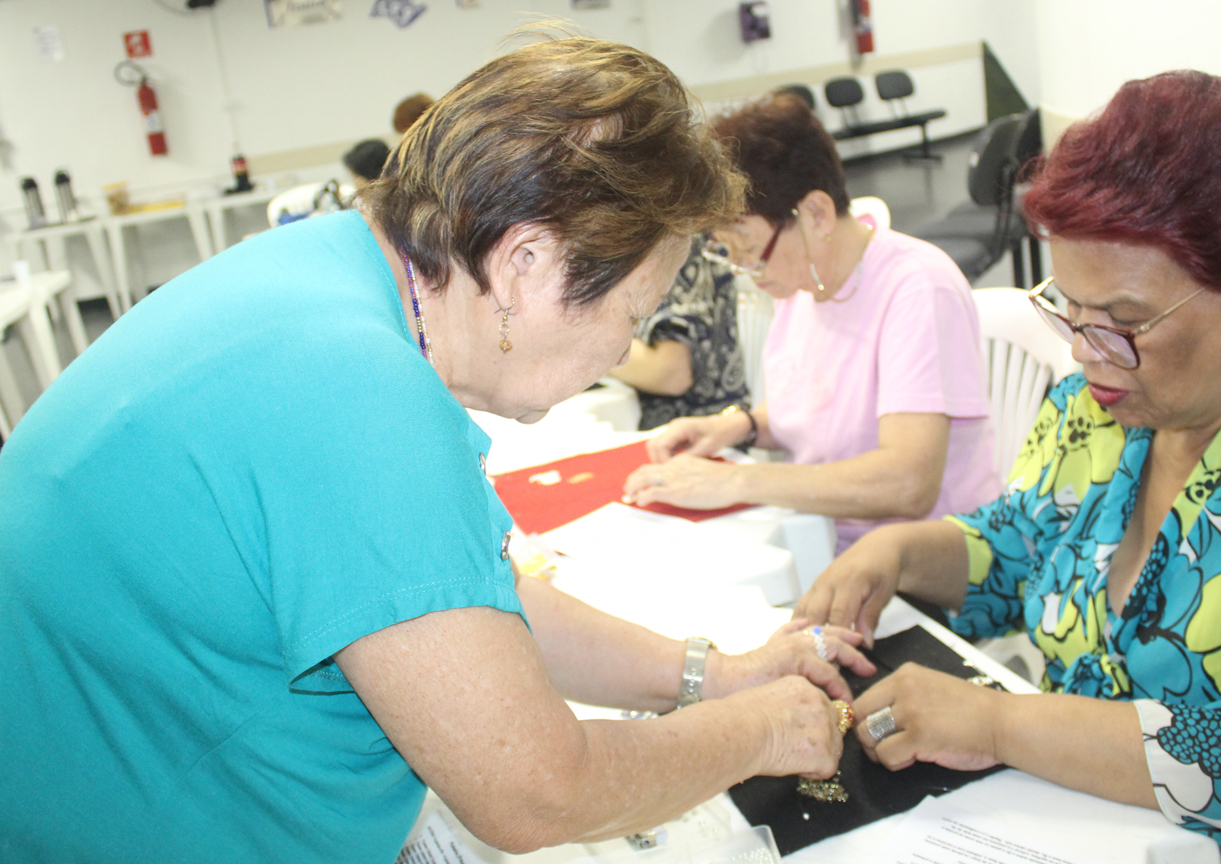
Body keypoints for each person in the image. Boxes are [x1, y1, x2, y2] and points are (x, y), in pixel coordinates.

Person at [0, 37, 876, 863]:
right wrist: (760, 730)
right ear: (527, 261)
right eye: (632, 312)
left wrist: (714, 678)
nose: (624, 347)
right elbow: (536, 790)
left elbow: (470, 610)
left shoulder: (333, 280)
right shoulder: (359, 393)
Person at [794, 70, 1221, 862]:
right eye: (1069, 309)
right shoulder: (1100, 405)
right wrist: (896, 552)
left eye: (1123, 321)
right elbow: (1019, 548)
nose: (1084, 353)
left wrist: (1002, 724)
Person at [624, 92, 1001, 552]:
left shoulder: (916, 288)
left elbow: (908, 483)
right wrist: (740, 426)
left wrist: (738, 482)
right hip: (822, 535)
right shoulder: (802, 280)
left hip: (919, 559)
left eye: (749, 248)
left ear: (816, 214)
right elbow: (819, 407)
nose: (744, 269)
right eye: (729, 251)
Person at [610, 236, 750, 430]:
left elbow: (671, 374)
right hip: (675, 427)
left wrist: (588, 346)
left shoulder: (678, 242)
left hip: (696, 432)